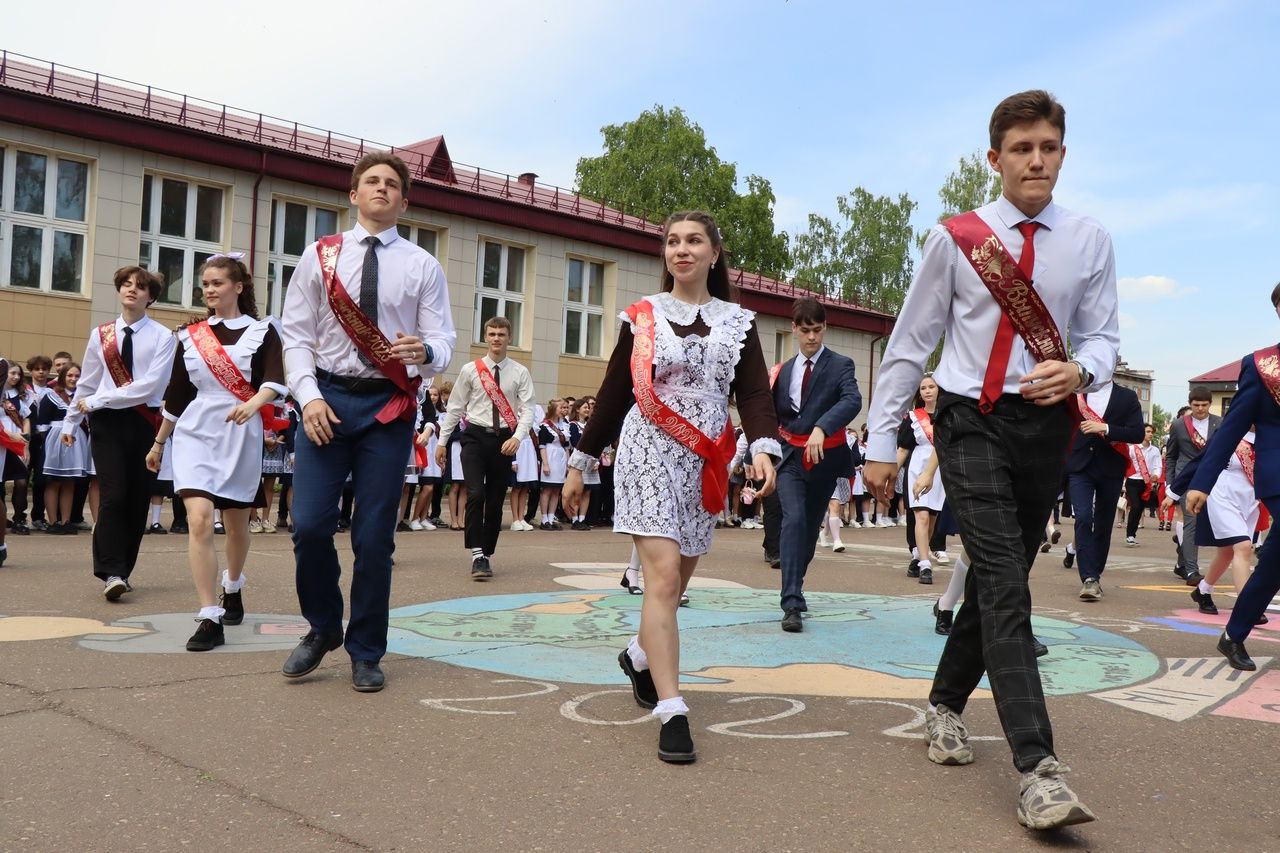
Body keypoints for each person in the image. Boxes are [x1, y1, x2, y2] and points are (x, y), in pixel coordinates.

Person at [863, 90, 1117, 830]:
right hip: (969, 419)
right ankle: (1039, 768)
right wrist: (882, 442)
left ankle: (944, 704)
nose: (1036, 160)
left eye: (1048, 147)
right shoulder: (957, 239)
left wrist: (1082, 372)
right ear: (995, 158)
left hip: (1044, 427)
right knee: (1005, 580)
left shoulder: (1089, 240)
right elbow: (910, 343)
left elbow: (1102, 338)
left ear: (1062, 153)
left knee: (997, 585)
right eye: (1021, 148)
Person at [563, 210, 779, 764]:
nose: (682, 250)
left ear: (714, 252)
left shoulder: (739, 321)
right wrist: (580, 461)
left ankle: (639, 655)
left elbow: (754, 394)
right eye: (673, 242)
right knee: (659, 580)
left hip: (706, 458)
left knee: (675, 586)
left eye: (694, 241)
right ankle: (672, 710)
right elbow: (614, 391)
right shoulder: (643, 317)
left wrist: (762, 448)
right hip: (648, 448)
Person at [279, 152, 455, 692]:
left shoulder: (424, 265)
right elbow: (295, 337)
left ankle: (365, 649)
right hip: (325, 400)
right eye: (371, 182)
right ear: (353, 194)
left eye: (392, 184)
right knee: (309, 526)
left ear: (404, 200)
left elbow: (444, 344)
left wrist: (423, 351)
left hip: (388, 406)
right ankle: (323, 627)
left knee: (374, 537)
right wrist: (307, 398)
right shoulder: (319, 256)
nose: (381, 189)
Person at [146, 254, 285, 651]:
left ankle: (233, 584)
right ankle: (210, 616)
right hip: (194, 431)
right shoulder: (189, 337)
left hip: (240, 430)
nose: (209, 289)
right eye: (205, 283)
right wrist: (159, 442)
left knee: (237, 524)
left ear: (238, 287)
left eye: (217, 283)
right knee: (200, 520)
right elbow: (177, 393)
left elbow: (275, 380)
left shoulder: (263, 332)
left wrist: (255, 403)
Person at [1183, 282, 1280, 670]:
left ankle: (1234, 634)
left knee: (1273, 562)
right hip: (1277, 472)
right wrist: (1202, 482)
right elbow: (1231, 428)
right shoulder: (1261, 366)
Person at [65, 267, 176, 600]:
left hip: (143, 422)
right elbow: (87, 380)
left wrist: (97, 398)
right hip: (106, 423)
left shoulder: (163, 336)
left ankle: (124, 569)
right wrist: (70, 420)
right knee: (112, 495)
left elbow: (149, 387)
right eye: (126, 284)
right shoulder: (102, 334)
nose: (132, 290)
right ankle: (111, 571)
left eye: (140, 287)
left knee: (136, 498)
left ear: (150, 296)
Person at [772, 296, 861, 631]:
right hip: (789, 457)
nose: (812, 337)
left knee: (809, 529)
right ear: (794, 329)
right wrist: (760, 453)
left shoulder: (841, 365)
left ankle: (797, 581)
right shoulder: (781, 371)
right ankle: (791, 602)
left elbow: (853, 399)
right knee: (793, 520)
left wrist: (823, 427)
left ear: (825, 328)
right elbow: (769, 413)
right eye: (805, 330)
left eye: (818, 329)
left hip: (824, 459)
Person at [435, 315, 535, 579]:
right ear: (485, 337)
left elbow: (528, 410)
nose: (496, 339)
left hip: (504, 441)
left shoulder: (520, 372)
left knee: (494, 502)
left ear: (509, 338)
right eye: (491, 334)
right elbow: (454, 408)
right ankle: (477, 554)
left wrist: (518, 437)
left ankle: (487, 553)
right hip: (475, 438)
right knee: (476, 493)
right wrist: (442, 442)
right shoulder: (471, 370)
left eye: (501, 334)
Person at [1066, 381, 1144, 601]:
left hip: (1111, 467)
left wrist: (1106, 428)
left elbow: (1137, 433)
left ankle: (1094, 575)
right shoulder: (1075, 392)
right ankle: (1088, 577)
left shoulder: (1127, 396)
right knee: (1082, 517)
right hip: (1080, 465)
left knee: (1103, 522)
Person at [1167, 388, 1221, 585]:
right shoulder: (1179, 425)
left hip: (1211, 479)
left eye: (1204, 405)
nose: (1200, 409)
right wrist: (1170, 484)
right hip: (1186, 480)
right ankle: (1192, 571)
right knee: (1192, 522)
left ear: (1209, 404)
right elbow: (1171, 456)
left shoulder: (1220, 423)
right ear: (1190, 404)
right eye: (1196, 405)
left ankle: (1182, 562)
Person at [1124, 424, 1162, 545]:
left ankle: (1132, 535)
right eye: (1148, 431)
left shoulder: (1155, 450)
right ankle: (1129, 535)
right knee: (1135, 506)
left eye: (1152, 432)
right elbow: (1125, 464)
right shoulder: (1132, 449)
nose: (1150, 434)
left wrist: (1156, 475)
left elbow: (1158, 466)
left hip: (1146, 483)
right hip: (1132, 481)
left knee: (1140, 509)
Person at [536, 399, 570, 529]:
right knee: (547, 489)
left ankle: (551, 518)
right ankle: (544, 519)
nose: (564, 410)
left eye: (566, 408)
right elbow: (542, 446)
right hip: (550, 456)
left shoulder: (564, 426)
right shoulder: (545, 426)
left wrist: (567, 463)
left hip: (561, 457)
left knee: (556, 490)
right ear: (554, 409)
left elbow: (566, 446)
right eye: (562, 407)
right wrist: (545, 464)